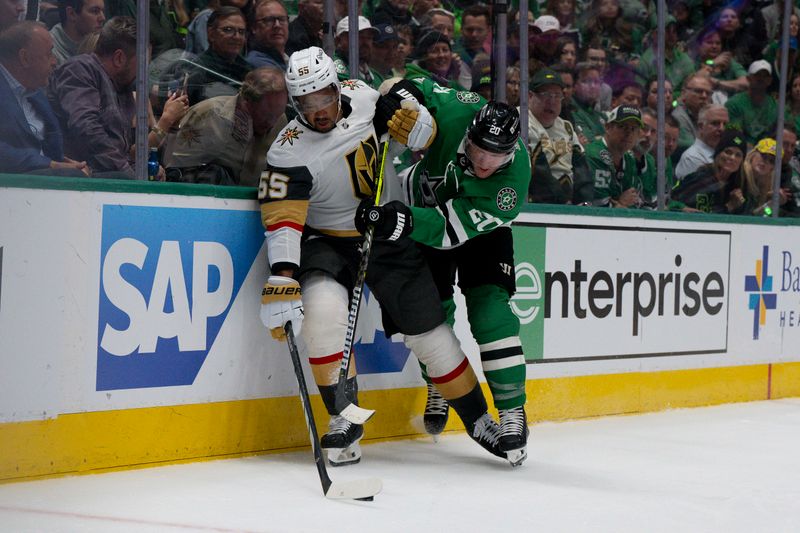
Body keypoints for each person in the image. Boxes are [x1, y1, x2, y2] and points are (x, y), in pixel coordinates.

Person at [258, 47, 507, 467]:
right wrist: (283, 275)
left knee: (432, 335)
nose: (319, 111)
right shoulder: (287, 151)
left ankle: (480, 418)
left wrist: (415, 120)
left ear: (337, 86)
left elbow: (424, 137)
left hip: (384, 230)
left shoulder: (365, 98)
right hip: (328, 240)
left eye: (324, 97)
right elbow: (282, 219)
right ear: (294, 102)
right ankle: (344, 419)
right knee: (321, 316)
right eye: (307, 103)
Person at [359, 82, 532, 466]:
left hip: (471, 229)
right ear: (468, 134)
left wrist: (397, 218)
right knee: (431, 315)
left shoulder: (511, 184)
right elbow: (415, 83)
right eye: (479, 151)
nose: (486, 164)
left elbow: (447, 230)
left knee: (491, 313)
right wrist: (401, 101)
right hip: (425, 213)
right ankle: (438, 383)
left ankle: (511, 411)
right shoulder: (459, 111)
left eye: (497, 157)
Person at [165, 67, 287, 186]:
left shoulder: (280, 122)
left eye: (277, 114)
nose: (271, 123)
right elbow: (175, 170)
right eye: (266, 115)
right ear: (248, 101)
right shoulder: (208, 115)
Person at [48, 16, 138, 177]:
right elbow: (86, 127)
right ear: (119, 58)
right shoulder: (79, 70)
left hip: (109, 174)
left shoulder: (122, 87)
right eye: (141, 63)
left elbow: (119, 151)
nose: (143, 71)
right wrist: (128, 173)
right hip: (83, 177)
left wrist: (138, 167)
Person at [0, 21, 89, 176]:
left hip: (45, 175)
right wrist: (52, 165)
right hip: (14, 184)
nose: (54, 61)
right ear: (25, 58)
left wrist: (64, 162)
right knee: (75, 176)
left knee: (120, 178)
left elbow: (45, 145)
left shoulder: (35, 91)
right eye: (49, 54)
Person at [525, 67, 591, 204]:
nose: (552, 101)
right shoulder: (521, 122)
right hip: (537, 202)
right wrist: (562, 201)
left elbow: (581, 168)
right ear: (530, 96)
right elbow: (539, 174)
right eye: (546, 95)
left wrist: (585, 202)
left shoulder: (566, 127)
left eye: (557, 96)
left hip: (567, 201)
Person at [184, 7, 252, 105]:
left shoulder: (249, 70)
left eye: (241, 32)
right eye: (228, 30)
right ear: (211, 34)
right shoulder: (197, 70)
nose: (237, 37)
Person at [671, 129, 747, 214]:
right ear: (718, 153)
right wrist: (730, 206)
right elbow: (669, 202)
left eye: (738, 155)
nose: (732, 158)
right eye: (728, 152)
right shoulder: (700, 179)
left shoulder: (738, 186)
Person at [586, 104, 643, 208]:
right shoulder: (594, 155)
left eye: (633, 129)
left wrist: (620, 203)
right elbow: (599, 208)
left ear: (638, 134)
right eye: (622, 126)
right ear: (608, 127)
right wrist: (621, 203)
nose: (628, 133)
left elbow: (633, 203)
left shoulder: (630, 160)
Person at [725, 60, 778, 147]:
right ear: (748, 78)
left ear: (770, 80)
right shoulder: (734, 104)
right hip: (738, 149)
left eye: (765, 76)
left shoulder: (775, 106)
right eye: (757, 75)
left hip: (766, 152)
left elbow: (776, 135)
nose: (761, 78)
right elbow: (732, 136)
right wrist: (743, 146)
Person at [674, 104, 729, 180]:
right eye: (715, 123)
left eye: (725, 124)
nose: (722, 128)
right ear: (701, 126)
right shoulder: (692, 158)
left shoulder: (727, 154)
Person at [49, 0, 105, 65]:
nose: (102, 18)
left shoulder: (101, 44)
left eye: (103, 11)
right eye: (95, 11)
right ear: (71, 14)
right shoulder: (49, 50)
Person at [333, 16, 382, 89]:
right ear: (338, 40)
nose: (365, 42)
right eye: (358, 36)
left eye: (369, 37)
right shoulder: (332, 68)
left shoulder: (377, 78)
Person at [671, 72, 712, 157]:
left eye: (708, 93)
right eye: (698, 91)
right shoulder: (677, 117)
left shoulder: (708, 116)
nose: (704, 96)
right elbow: (694, 150)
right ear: (683, 93)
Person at [246, 0, 289, 71]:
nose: (277, 25)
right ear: (254, 27)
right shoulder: (258, 63)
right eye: (269, 20)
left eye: (282, 19)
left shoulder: (288, 58)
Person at [571, 61, 606, 144]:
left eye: (596, 82)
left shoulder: (601, 116)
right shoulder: (571, 111)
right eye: (586, 81)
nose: (593, 86)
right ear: (574, 85)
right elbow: (591, 143)